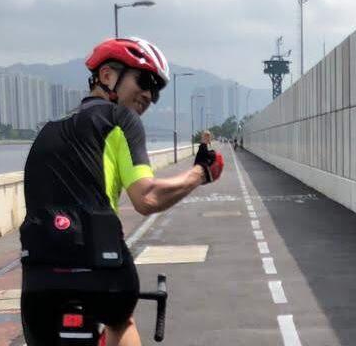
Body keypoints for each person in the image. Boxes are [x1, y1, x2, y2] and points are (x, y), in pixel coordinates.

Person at [19, 37, 225, 346]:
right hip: (103, 271)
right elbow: (147, 197)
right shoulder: (120, 120)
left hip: (38, 279)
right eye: (144, 81)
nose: (148, 95)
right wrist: (201, 173)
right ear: (107, 76)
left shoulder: (46, 131)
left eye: (155, 91)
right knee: (119, 321)